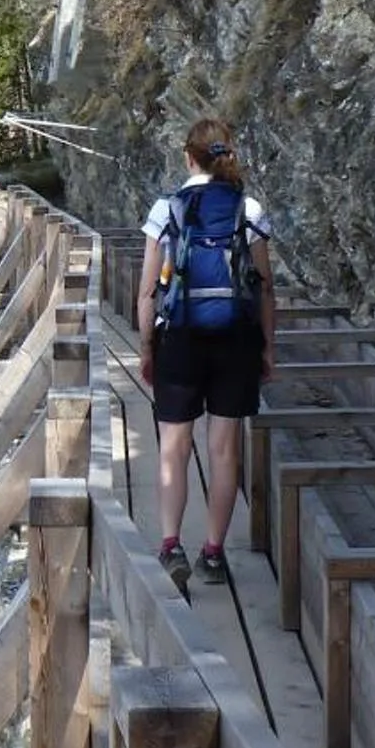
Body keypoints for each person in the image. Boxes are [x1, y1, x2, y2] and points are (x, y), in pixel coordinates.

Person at [136, 117, 276, 592]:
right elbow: (264, 288)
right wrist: (267, 348)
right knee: (224, 450)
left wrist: (146, 346)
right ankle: (213, 554)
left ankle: (170, 544)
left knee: (173, 447)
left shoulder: (165, 209)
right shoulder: (248, 207)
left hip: (179, 338)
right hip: (235, 338)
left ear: (187, 157)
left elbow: (147, 292)